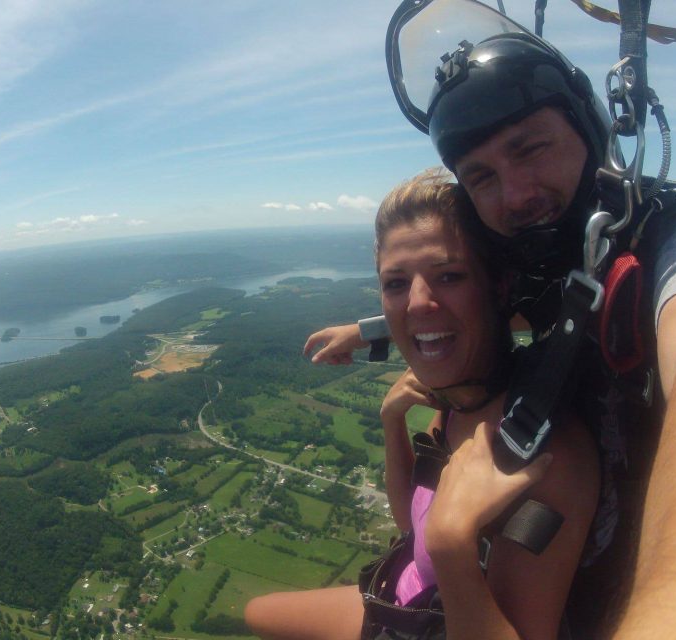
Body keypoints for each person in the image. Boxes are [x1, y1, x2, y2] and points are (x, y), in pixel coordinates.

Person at [303, 2, 676, 637]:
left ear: (588, 132)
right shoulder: (557, 260)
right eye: (481, 177)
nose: (514, 194)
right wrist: (371, 332)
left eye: (530, 147)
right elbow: (484, 308)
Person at [247, 170, 598, 640]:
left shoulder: (542, 458)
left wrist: (453, 547)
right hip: (406, 596)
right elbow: (414, 530)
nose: (416, 302)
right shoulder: (456, 400)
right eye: (395, 284)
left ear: (499, 286)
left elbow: (443, 549)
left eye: (449, 275)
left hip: (437, 622)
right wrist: (393, 423)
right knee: (257, 612)